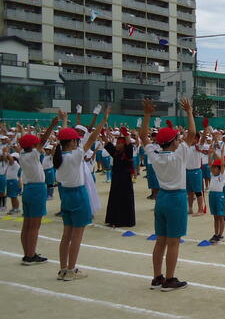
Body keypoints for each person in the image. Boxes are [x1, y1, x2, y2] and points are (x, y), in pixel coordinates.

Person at [140, 98, 195, 292]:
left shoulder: (155, 156)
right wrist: (189, 112)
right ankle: (170, 279)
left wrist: (147, 114)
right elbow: (192, 133)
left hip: (162, 197)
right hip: (176, 198)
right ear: (173, 143)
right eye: (177, 139)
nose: (180, 141)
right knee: (173, 242)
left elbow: (143, 136)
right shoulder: (179, 155)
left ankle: (157, 277)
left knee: (160, 240)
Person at [54, 107, 110, 280]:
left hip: (66, 195)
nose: (78, 142)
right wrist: (103, 119)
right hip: (78, 194)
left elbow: (64, 136)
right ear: (72, 142)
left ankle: (63, 269)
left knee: (66, 235)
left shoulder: (58, 156)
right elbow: (92, 138)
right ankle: (71, 270)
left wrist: (64, 121)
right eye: (76, 140)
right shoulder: (76, 155)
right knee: (77, 236)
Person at [18, 116, 58, 265]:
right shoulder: (34, 154)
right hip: (37, 189)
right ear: (33, 146)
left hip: (28, 189)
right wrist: (52, 125)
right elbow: (43, 140)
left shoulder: (22, 154)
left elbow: (33, 142)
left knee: (27, 224)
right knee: (35, 226)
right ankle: (30, 256)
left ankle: (27, 254)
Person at [103, 126, 136, 228]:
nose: (117, 145)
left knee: (123, 199)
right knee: (115, 199)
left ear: (124, 145)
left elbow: (129, 145)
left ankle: (123, 221)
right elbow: (108, 144)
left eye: (119, 143)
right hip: (116, 181)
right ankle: (113, 219)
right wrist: (103, 135)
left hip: (125, 181)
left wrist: (126, 135)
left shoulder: (128, 154)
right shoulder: (116, 153)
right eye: (116, 143)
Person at [206, 149, 225, 243]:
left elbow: (222, 164)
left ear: (219, 169)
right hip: (212, 195)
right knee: (215, 217)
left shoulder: (222, 175)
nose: (212, 169)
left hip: (219, 196)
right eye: (212, 168)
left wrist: (222, 153)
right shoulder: (212, 175)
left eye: (215, 168)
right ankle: (216, 234)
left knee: (221, 216)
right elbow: (209, 163)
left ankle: (220, 234)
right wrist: (209, 153)